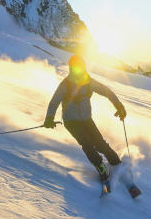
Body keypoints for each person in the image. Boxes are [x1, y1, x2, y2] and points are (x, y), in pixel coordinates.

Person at [44, 54, 127, 183]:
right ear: (71, 69)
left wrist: (119, 107)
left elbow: (107, 92)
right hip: (71, 121)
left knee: (99, 143)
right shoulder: (65, 85)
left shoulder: (89, 82)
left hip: (86, 119)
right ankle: (101, 168)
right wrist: (49, 118)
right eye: (74, 69)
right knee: (87, 144)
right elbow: (54, 102)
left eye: (79, 68)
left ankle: (115, 161)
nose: (77, 71)